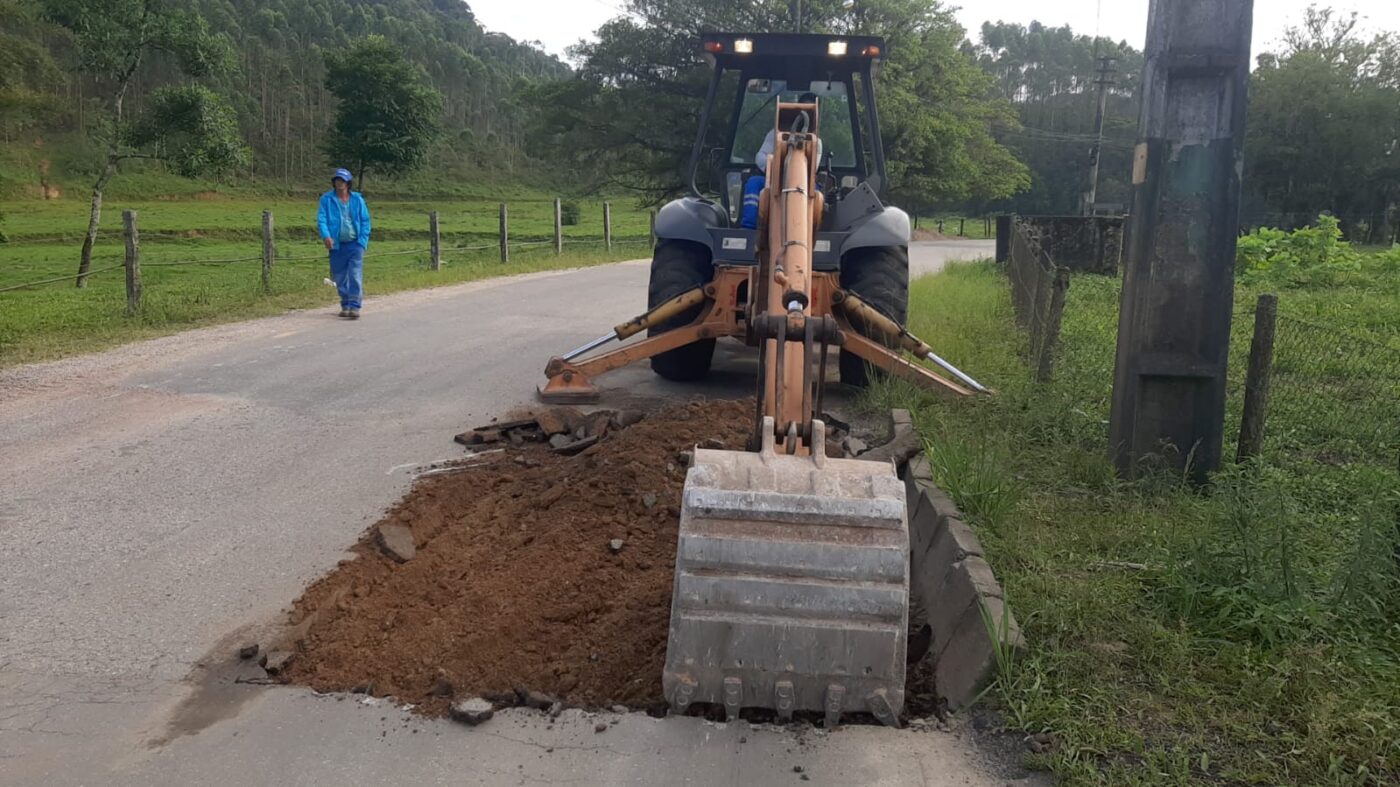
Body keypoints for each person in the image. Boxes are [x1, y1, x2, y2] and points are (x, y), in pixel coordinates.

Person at [739, 93, 822, 230]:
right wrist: (771, 167)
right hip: (773, 180)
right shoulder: (775, 135)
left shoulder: (816, 143)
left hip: (802, 184)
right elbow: (760, 156)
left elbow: (813, 168)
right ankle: (749, 228)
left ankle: (808, 230)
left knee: (817, 194)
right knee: (754, 183)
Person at [317, 168, 372, 319]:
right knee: (340, 276)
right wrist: (326, 236)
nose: (339, 183)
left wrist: (362, 241)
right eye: (337, 180)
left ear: (348, 183)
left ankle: (355, 307)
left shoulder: (357, 200)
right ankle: (346, 303)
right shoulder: (326, 199)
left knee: (354, 274)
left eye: (342, 180)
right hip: (337, 245)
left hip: (355, 244)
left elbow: (365, 221)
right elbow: (322, 219)